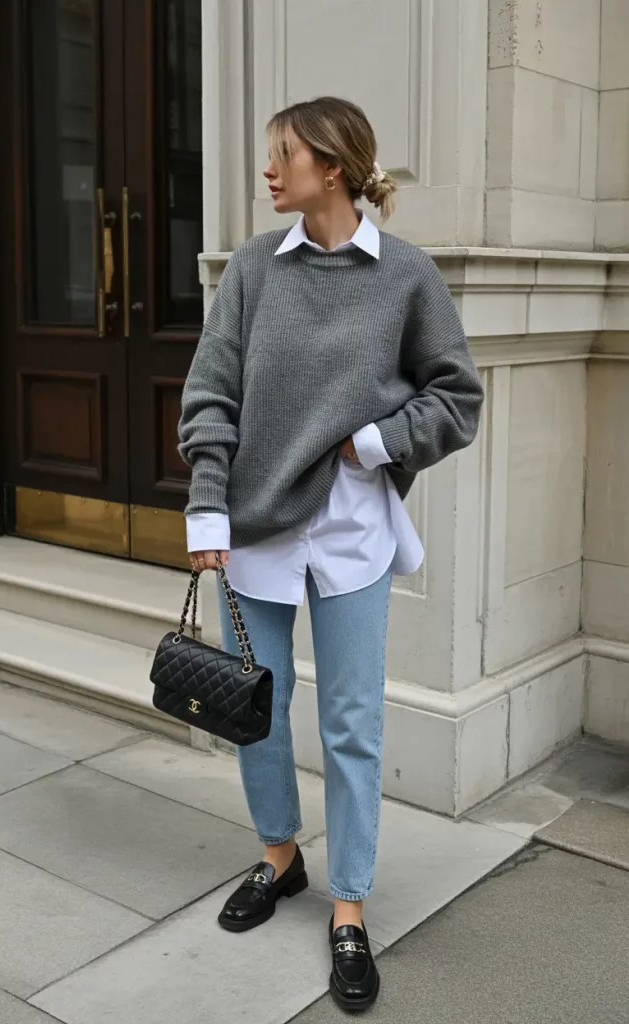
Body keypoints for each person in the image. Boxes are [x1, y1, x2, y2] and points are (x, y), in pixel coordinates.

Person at [178, 96, 483, 1013]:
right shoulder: (251, 270)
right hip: (255, 528)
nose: (268, 170)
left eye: (285, 155)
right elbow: (211, 394)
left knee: (352, 724)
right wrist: (205, 512)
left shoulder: (405, 275)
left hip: (351, 534)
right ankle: (280, 857)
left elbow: (456, 396)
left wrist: (373, 442)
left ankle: (348, 907)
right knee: (255, 712)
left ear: (335, 168)